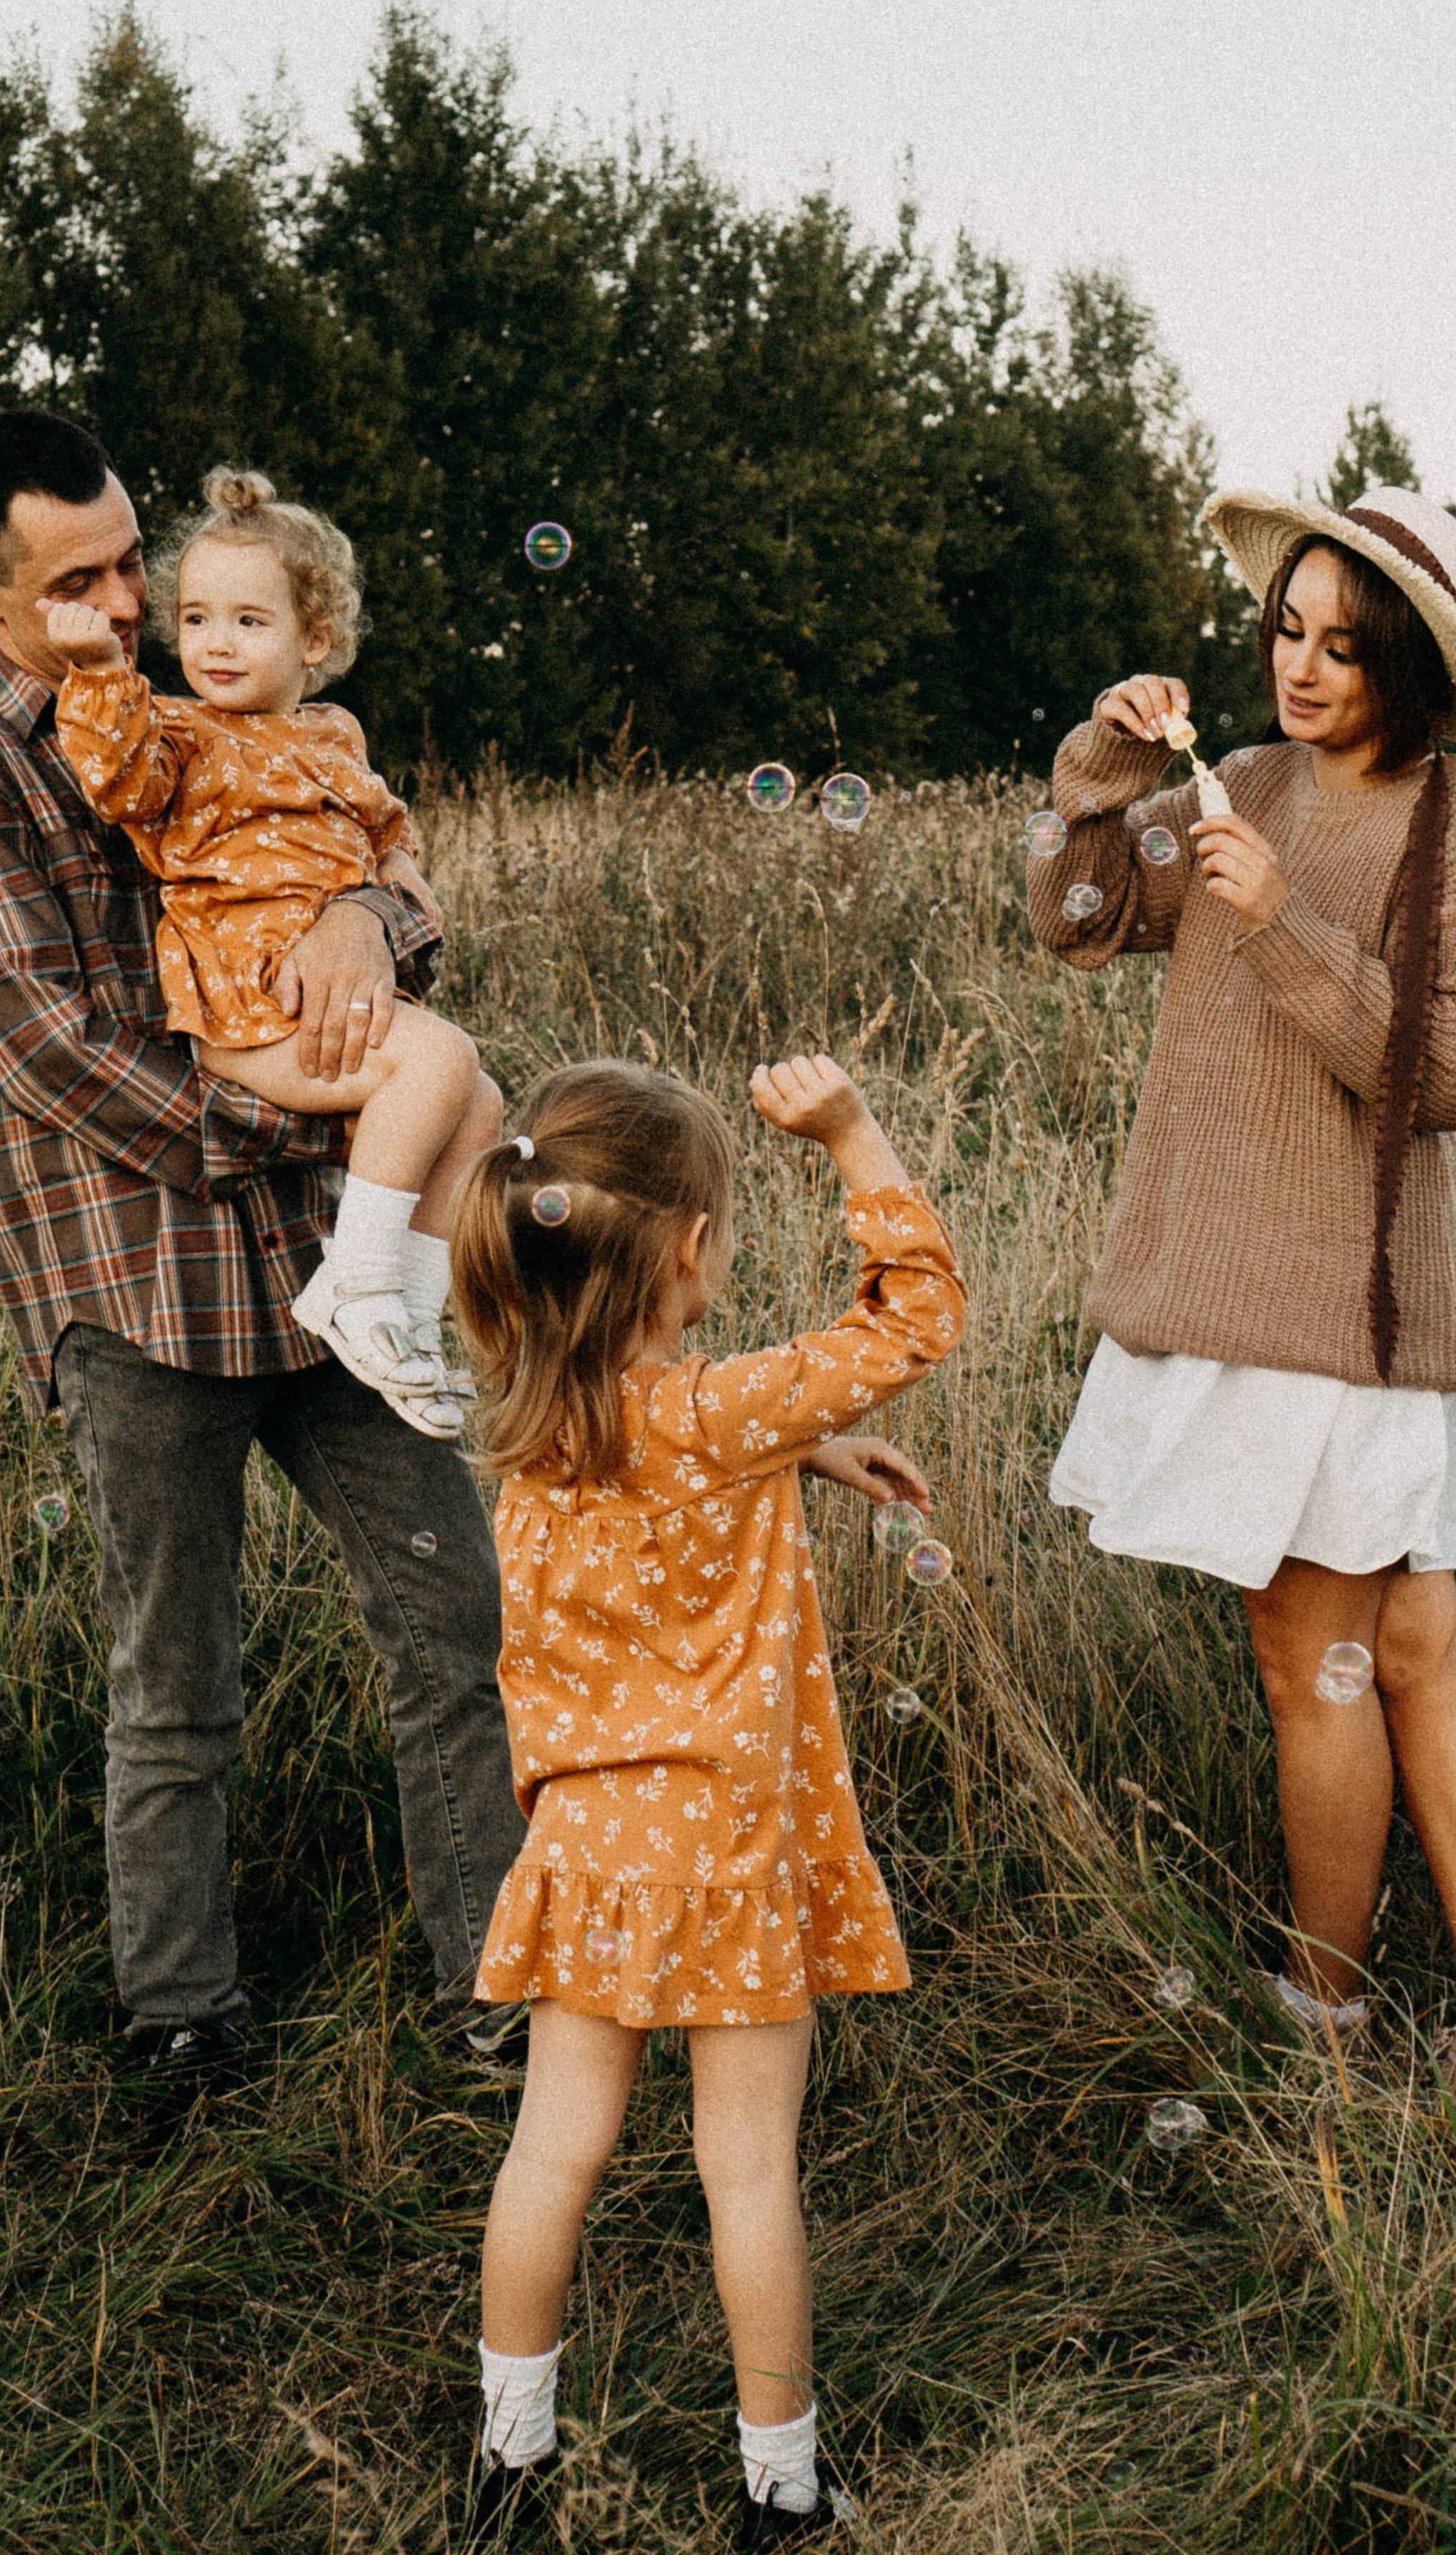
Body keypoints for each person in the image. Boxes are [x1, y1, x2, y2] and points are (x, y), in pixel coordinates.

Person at [0, 409, 526, 2078]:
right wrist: (306, 1116)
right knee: (177, 1680)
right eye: (79, 583)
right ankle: (181, 2021)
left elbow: (397, 889)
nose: (126, 605)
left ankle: (495, 1990)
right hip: (134, 1274)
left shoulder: (215, 712)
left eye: (130, 568)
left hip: (334, 1270)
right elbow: (44, 1048)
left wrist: (356, 920)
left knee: (456, 1624)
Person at [1030, 485, 1456, 2102]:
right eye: (1285, 629)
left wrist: (1276, 926)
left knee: (1307, 1658)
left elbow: (1454, 1073)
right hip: (1223, 1284)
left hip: (1342, 1316)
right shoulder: (1233, 781)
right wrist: (1101, 779)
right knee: (1406, 1643)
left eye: (1343, 642)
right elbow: (1073, 920)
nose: (1300, 666)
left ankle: (1320, 2018)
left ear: (1413, 661)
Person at [445, 1056, 964, 2544]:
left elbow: (656, 1451)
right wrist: (855, 1131)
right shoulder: (721, 1413)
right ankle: (781, 2487)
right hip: (729, 1851)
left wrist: (798, 1448)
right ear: (686, 1251)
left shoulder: (531, 1421)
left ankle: (509, 2458)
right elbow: (914, 1313)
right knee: (745, 2171)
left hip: (585, 1849)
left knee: (552, 2149)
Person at [48, 464, 499, 1438]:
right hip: (244, 1007)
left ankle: (405, 1325)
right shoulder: (174, 732)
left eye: (251, 622)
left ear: (317, 640)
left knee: (484, 1101)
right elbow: (117, 784)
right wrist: (96, 676)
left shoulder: (335, 735)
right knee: (446, 1060)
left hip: (326, 1001)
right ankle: (355, 1288)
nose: (216, 642)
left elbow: (387, 834)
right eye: (199, 618)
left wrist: (387, 895)